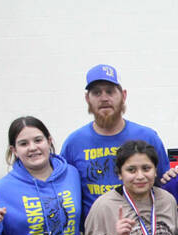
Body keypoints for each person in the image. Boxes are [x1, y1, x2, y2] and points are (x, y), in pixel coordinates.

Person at [61, 64, 170, 218]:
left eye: (110, 91)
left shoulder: (148, 137)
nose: (104, 98)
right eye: (97, 93)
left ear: (123, 95)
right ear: (87, 99)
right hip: (97, 233)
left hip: (143, 231)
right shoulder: (74, 143)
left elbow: (164, 185)